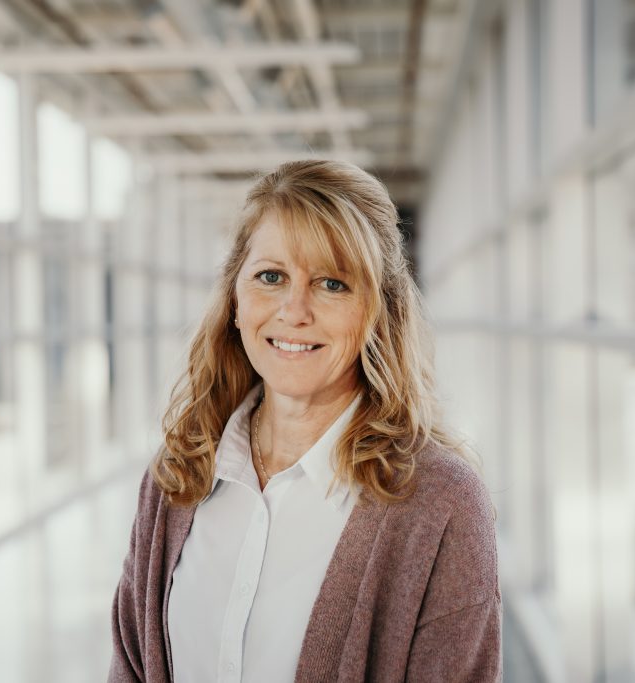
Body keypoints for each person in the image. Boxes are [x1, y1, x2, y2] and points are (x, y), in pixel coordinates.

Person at [108, 159, 501, 682]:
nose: (294, 311)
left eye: (332, 283)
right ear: (235, 298)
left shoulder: (440, 503)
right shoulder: (176, 478)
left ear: (376, 312)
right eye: (271, 277)